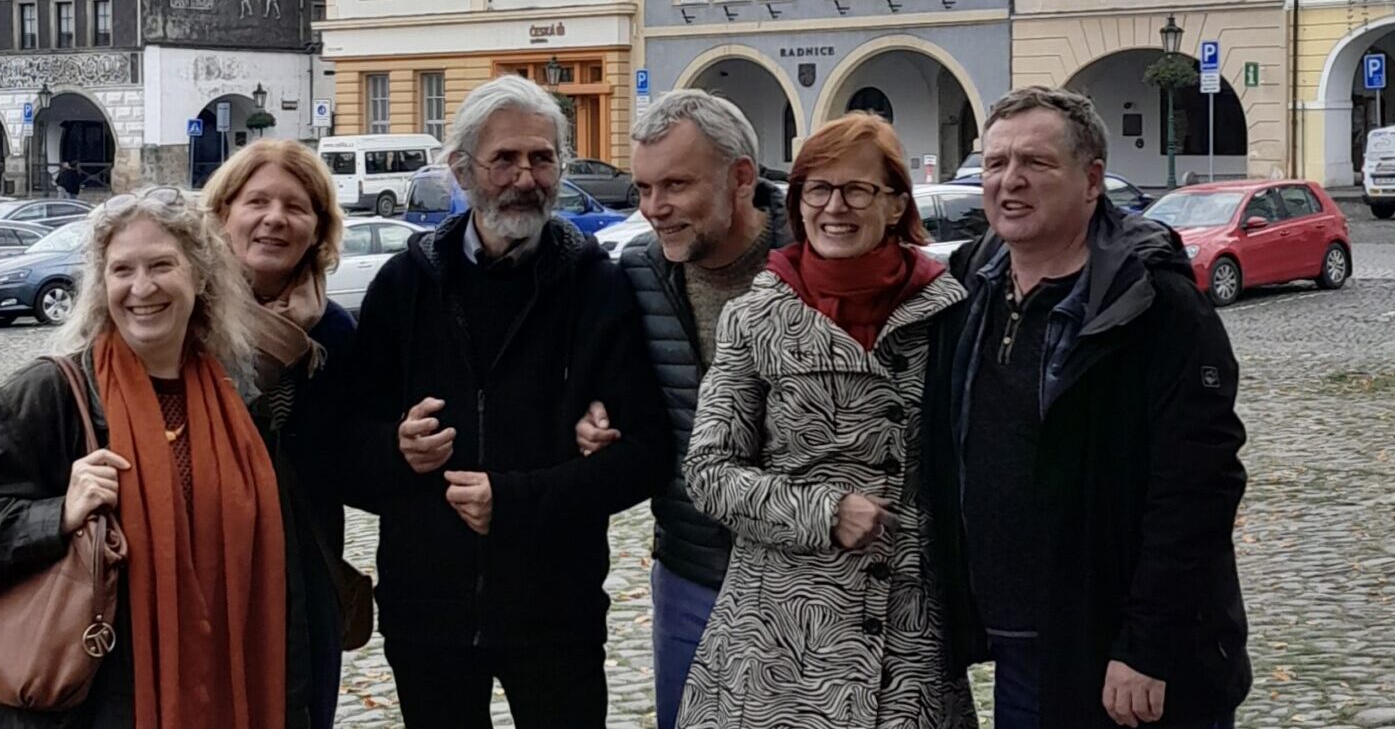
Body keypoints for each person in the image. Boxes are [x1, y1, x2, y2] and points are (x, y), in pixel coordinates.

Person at [341, 74, 671, 729]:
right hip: (427, 612)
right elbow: (342, 444)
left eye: (543, 157)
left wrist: (516, 500)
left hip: (557, 610)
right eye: (505, 159)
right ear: (462, 170)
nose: (527, 175)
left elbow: (647, 453)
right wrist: (394, 449)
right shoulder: (404, 285)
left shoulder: (595, 285)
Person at [923, 87, 1249, 729]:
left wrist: (1147, 644)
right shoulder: (972, 286)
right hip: (1021, 643)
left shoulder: (1153, 304)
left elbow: (1197, 489)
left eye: (1036, 164)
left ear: (1091, 180)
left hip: (1123, 658)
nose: (1009, 182)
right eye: (995, 164)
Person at [0, 189, 290, 729]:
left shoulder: (238, 402)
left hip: (212, 694)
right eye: (121, 270)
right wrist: (55, 515)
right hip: (81, 708)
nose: (142, 288)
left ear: (199, 278)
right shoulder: (53, 393)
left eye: (161, 265)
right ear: (101, 285)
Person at [678, 112, 971, 729]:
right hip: (778, 635)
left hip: (905, 626)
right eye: (818, 188)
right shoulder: (755, 319)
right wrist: (825, 512)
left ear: (894, 204)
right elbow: (708, 472)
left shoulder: (949, 312)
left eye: (857, 189)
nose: (835, 206)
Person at [593, 90, 791, 729]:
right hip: (690, 572)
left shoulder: (815, 262)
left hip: (807, 577)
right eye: (645, 188)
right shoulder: (640, 273)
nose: (654, 208)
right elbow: (621, 392)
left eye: (675, 185)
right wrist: (596, 416)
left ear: (740, 179)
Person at [203, 140, 358, 729]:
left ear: (318, 228)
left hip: (301, 569)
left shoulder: (336, 334)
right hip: (197, 564)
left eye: (296, 207)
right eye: (257, 201)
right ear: (223, 214)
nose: (275, 218)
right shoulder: (181, 318)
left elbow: (356, 459)